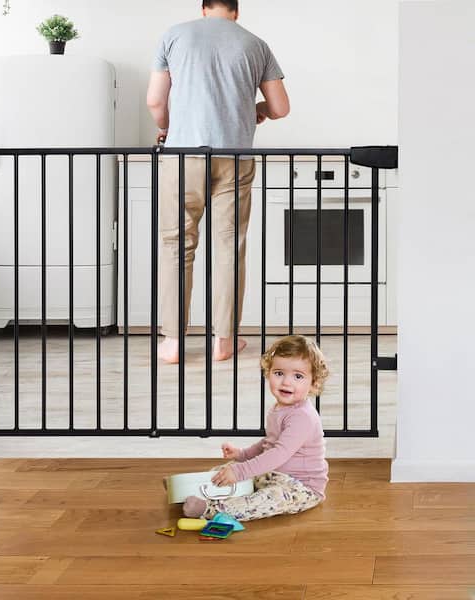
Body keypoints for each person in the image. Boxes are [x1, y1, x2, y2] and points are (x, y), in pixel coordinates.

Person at [146, 0, 290, 364]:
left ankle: (173, 343)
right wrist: (258, 110)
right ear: (236, 11)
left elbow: (154, 101)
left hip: (182, 156)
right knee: (230, 247)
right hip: (234, 157)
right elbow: (280, 107)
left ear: (204, 8)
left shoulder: (174, 36)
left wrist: (168, 127)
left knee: (176, 245)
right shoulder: (255, 44)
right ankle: (224, 341)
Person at [182, 335, 330, 521]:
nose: (286, 382)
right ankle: (188, 488)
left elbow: (279, 453)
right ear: (268, 372)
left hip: (299, 486)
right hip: (272, 474)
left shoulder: (303, 417)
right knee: (225, 470)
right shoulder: (279, 408)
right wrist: (242, 455)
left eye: (298, 376)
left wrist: (240, 471)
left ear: (314, 382)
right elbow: (269, 443)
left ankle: (210, 509)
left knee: (267, 499)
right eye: (279, 373)